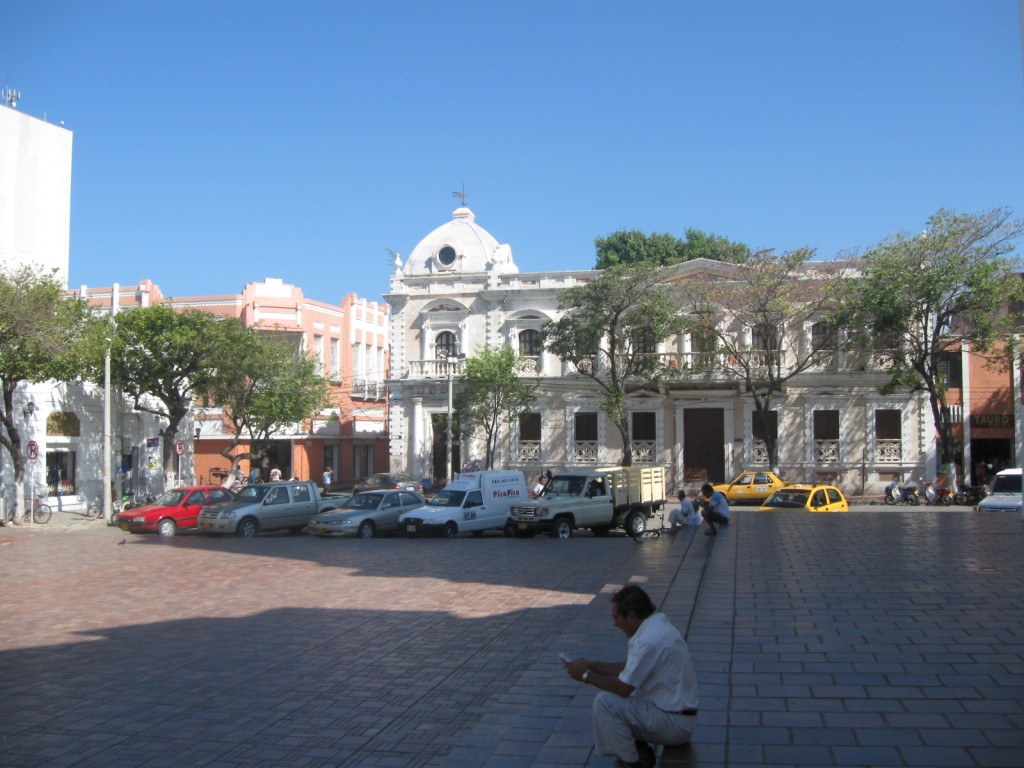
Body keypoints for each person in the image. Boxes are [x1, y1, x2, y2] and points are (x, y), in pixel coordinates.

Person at [563, 585, 697, 768]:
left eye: (616, 618)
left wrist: (586, 675)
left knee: (605, 703)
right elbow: (631, 669)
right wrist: (593, 665)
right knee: (617, 702)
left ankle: (632, 762)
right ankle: (638, 750)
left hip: (675, 724)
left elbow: (623, 688)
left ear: (632, 616)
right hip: (676, 718)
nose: (615, 624)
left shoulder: (649, 640)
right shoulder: (655, 625)